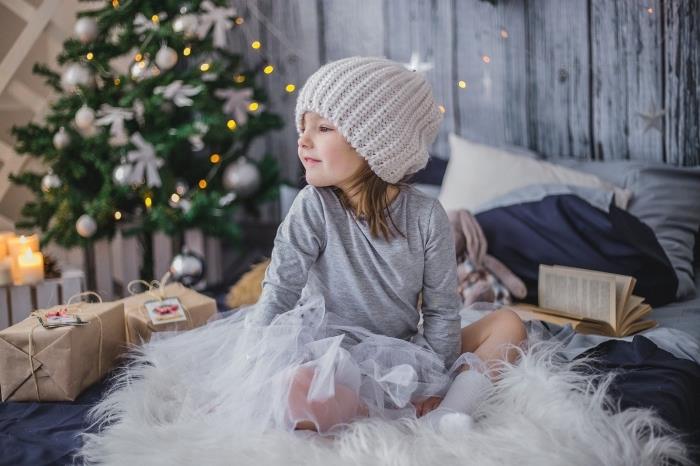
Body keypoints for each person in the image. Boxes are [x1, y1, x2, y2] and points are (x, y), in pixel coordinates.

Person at [251, 56, 527, 433]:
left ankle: (446, 414)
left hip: (400, 351)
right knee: (294, 389)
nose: (303, 139)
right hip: (328, 355)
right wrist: (253, 364)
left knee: (509, 324)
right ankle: (368, 412)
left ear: (375, 144)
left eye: (323, 127)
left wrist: (433, 380)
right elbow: (280, 290)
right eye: (303, 126)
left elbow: (442, 311)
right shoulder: (313, 205)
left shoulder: (427, 216)